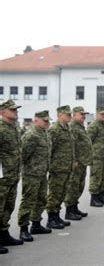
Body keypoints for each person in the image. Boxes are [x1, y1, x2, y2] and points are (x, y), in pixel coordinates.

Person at [17, 110, 53, 242]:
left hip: (42, 173)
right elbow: (23, 155)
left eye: (48, 121)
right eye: (45, 121)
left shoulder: (44, 134)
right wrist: (27, 170)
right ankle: (23, 228)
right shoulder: (31, 135)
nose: (47, 123)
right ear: (36, 120)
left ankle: (36, 224)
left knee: (42, 199)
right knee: (28, 201)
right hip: (31, 174)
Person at [0, 100, 24, 253]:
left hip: (13, 175)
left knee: (8, 206)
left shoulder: (14, 128)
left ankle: (4, 234)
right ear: (2, 112)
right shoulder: (1, 129)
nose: (15, 112)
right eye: (12, 110)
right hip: (2, 177)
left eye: (16, 109)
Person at [46, 105, 74, 229]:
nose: (70, 116)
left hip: (66, 167)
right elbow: (49, 149)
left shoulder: (67, 128)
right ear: (60, 115)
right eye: (68, 114)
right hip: (57, 168)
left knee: (62, 193)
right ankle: (51, 218)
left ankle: (57, 216)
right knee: (54, 194)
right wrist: (51, 166)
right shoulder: (54, 129)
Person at [64, 106, 92, 219]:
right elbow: (72, 146)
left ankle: (75, 208)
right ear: (74, 115)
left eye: (84, 114)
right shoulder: (73, 127)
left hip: (82, 162)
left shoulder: (80, 126)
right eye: (81, 114)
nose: (84, 116)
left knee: (79, 186)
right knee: (73, 187)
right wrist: (74, 160)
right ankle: (69, 210)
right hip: (77, 163)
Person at [88, 109, 104, 207]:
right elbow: (88, 141)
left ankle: (101, 195)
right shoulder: (93, 126)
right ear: (97, 114)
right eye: (102, 114)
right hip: (96, 157)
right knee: (96, 177)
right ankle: (94, 198)